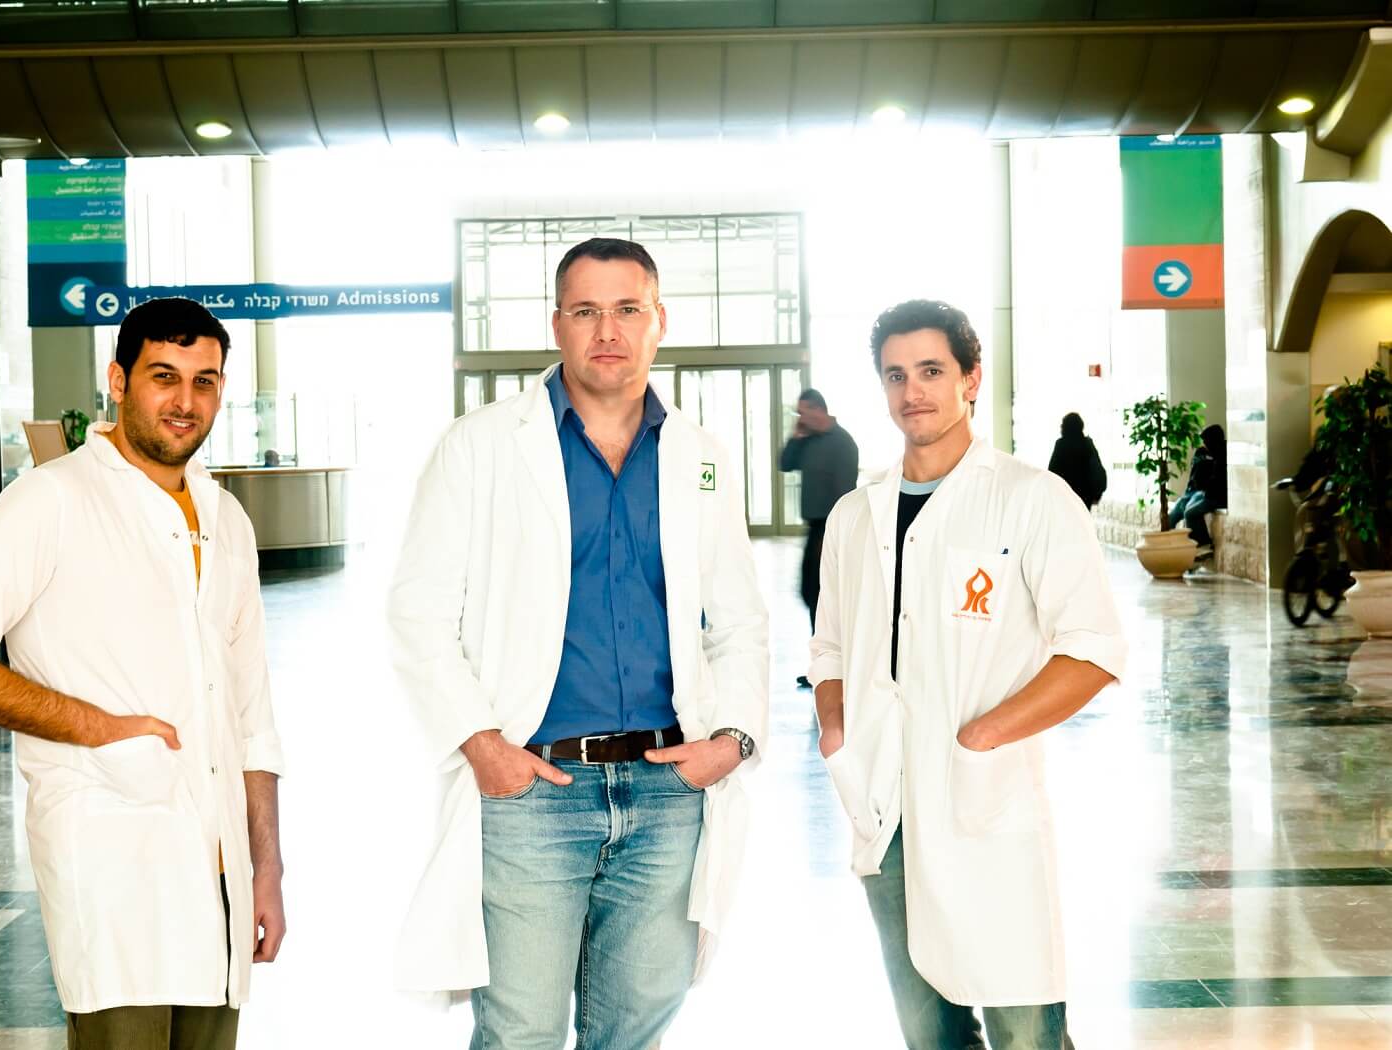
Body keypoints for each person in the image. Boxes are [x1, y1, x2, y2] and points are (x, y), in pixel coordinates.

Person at [388, 237, 769, 1049]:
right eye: (587, 310)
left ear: (658, 322)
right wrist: (482, 745)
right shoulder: (480, 446)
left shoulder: (697, 456)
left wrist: (733, 741)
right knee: (521, 1032)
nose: (609, 329)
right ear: (556, 324)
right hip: (535, 789)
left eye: (628, 309)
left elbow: (738, 620)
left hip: (668, 792)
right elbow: (417, 615)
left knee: (634, 1030)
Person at [0, 298, 286, 1050]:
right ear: (118, 380)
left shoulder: (226, 517)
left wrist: (265, 866)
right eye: (163, 377)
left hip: (218, 869)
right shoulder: (52, 500)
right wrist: (104, 730)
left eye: (205, 381)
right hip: (112, 851)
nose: (185, 402)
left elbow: (252, 710)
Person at [810, 299, 1125, 1050]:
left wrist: (983, 736)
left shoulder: (1030, 498)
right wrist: (835, 730)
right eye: (894, 375)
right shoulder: (855, 516)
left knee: (1024, 1027)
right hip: (881, 805)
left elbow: (1092, 650)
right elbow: (828, 650)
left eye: (929, 370)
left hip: (983, 801)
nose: (910, 391)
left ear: (970, 377)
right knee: (928, 1033)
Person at [780, 389, 859, 687]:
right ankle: (823, 668)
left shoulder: (842, 443)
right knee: (811, 594)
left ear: (819, 410)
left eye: (804, 412)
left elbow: (846, 493)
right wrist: (796, 436)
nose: (801, 418)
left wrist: (839, 537)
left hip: (833, 530)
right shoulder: (808, 440)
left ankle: (833, 670)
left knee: (824, 598)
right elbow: (785, 463)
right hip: (815, 527)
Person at [1169, 424, 1227, 556]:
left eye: (1206, 441)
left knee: (1189, 512)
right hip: (1202, 492)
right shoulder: (1203, 453)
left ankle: (1202, 545)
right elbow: (1196, 476)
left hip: (1213, 495)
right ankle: (1171, 548)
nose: (1204, 444)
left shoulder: (1222, 454)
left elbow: (1217, 480)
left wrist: (1205, 489)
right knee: (1173, 516)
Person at [1046, 412, 1108, 509]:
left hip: (1065, 496)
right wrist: (1096, 493)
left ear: (1065, 427)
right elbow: (1097, 468)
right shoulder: (1087, 444)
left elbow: (1053, 471)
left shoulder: (1061, 445)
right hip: (1085, 496)